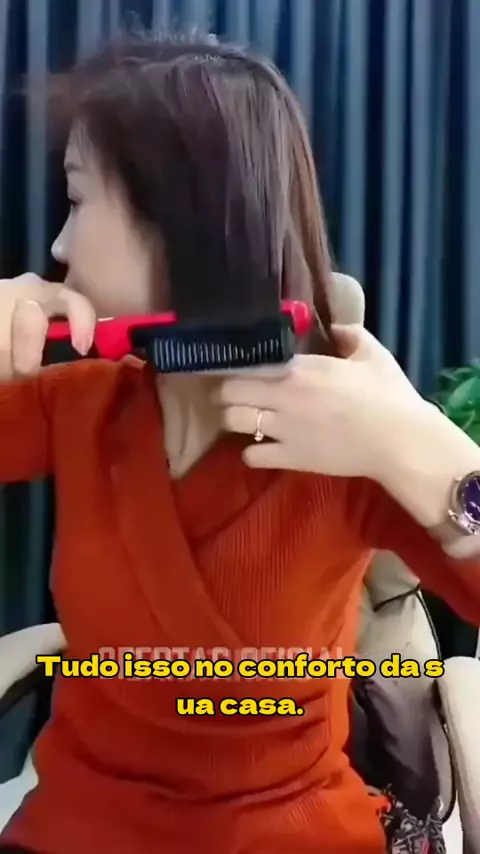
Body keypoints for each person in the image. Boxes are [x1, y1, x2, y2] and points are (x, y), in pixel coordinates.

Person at [0, 35, 479, 854]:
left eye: (77, 200)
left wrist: (420, 449)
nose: (58, 250)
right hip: (79, 830)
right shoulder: (79, 405)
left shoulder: (351, 434)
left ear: (182, 218)